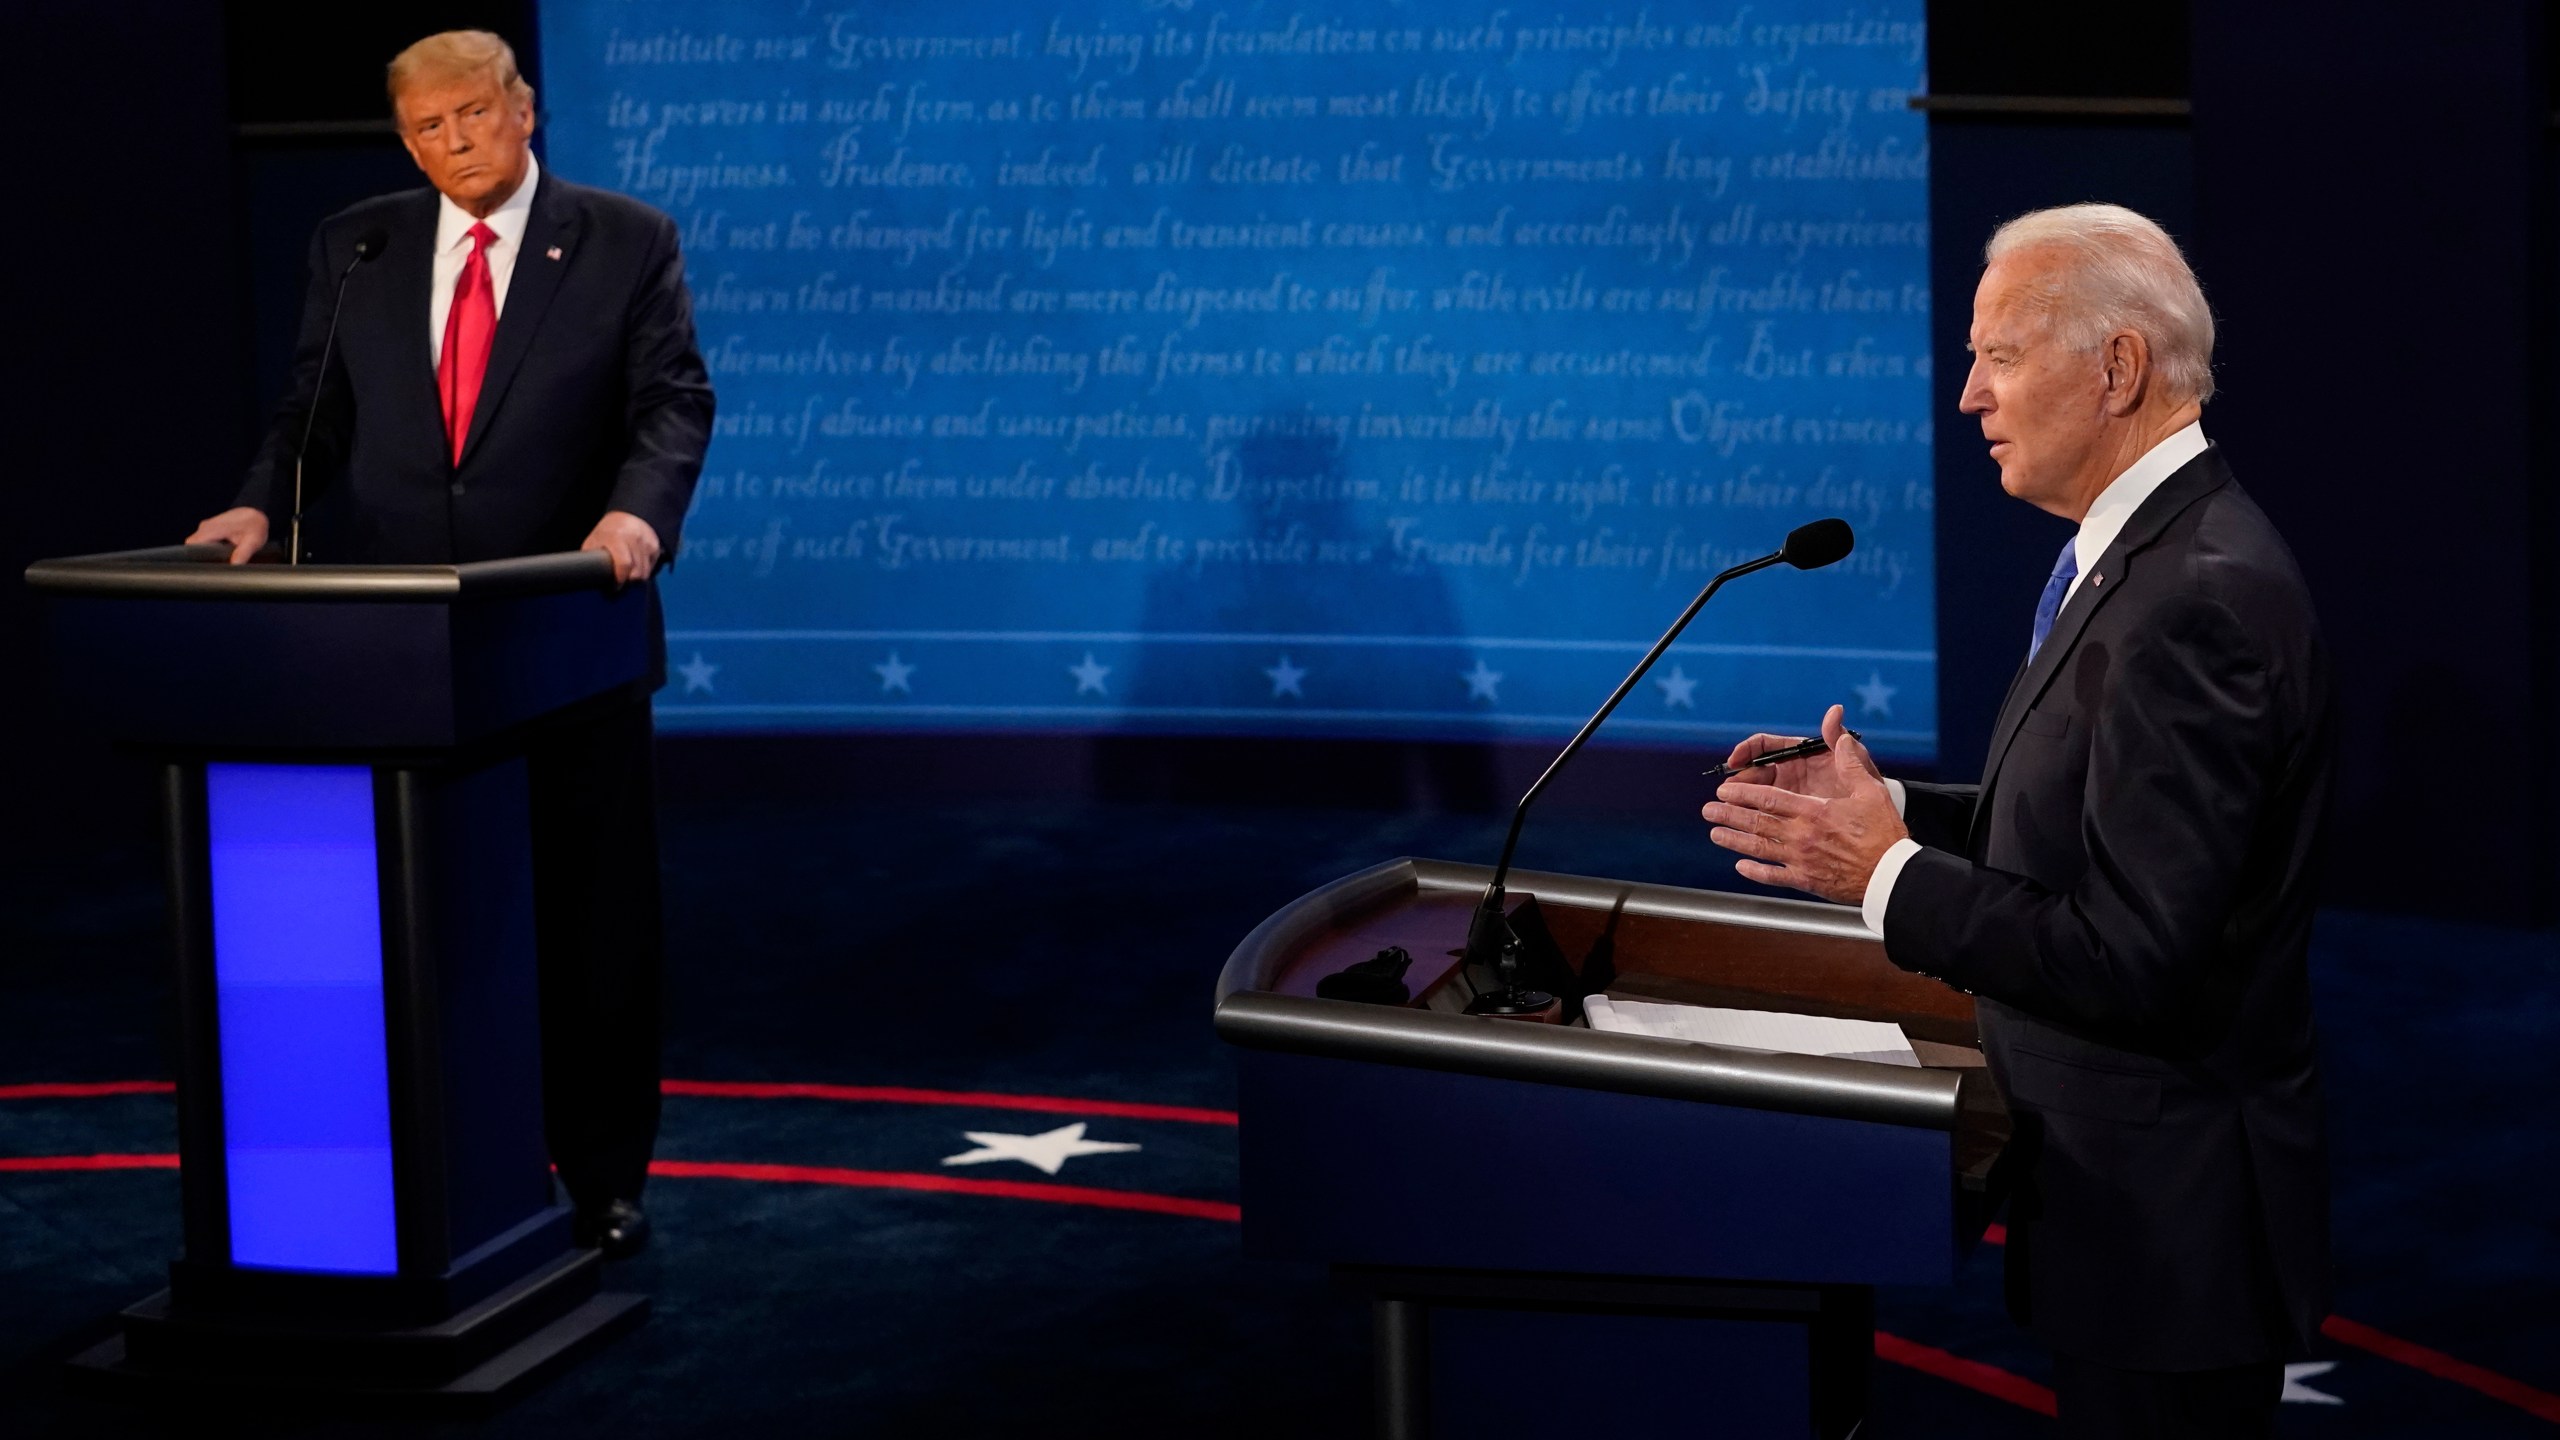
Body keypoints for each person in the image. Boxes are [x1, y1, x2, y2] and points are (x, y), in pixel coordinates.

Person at [1700, 204, 2334, 1439]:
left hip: (2173, 1233)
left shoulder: (2192, 601)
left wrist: (1883, 879)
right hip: (2128, 1211)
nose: (1968, 397)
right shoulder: (2143, 558)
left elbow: (2137, 957)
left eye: (1997, 355)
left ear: (2116, 369)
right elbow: (2098, 826)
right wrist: (1889, 811)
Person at [187, 30, 714, 1258]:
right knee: (430, 918)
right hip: (397, 652)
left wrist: (639, 511)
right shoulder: (358, 244)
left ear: (523, 109)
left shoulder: (624, 238)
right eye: (425, 127)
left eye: (471, 114)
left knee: (591, 917)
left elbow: (672, 398)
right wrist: (264, 500)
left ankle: (602, 1175)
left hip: (564, 633)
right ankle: (445, 1156)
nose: (452, 142)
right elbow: (310, 406)